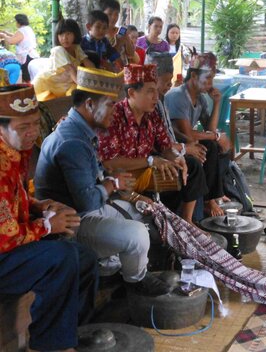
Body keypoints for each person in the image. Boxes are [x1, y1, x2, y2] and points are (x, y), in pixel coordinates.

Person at [34, 66, 169, 295]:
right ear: (89, 105)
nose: (114, 112)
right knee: (136, 234)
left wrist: (112, 184)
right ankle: (134, 281)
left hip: (91, 210)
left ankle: (112, 265)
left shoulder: (81, 131)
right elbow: (86, 202)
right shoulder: (72, 142)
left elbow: (95, 181)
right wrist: (112, 184)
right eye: (109, 105)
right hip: (71, 223)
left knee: (148, 212)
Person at [0, 83, 98, 352]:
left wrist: (39, 206)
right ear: (2, 127)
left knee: (84, 258)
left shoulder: (15, 151)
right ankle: (50, 346)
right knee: (61, 257)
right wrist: (46, 225)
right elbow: (4, 236)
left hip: (11, 247)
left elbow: (13, 200)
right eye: (23, 127)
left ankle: (76, 333)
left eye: (34, 123)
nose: (32, 132)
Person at [165, 52, 230, 216]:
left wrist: (216, 103)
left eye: (212, 79)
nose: (210, 83)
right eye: (207, 78)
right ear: (193, 75)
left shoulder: (200, 99)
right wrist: (215, 136)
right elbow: (187, 134)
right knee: (211, 145)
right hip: (174, 145)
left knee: (218, 148)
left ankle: (213, 197)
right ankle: (209, 201)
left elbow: (210, 127)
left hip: (186, 141)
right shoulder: (178, 96)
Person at [147, 55, 209, 225]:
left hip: (167, 150)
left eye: (171, 79)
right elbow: (156, 145)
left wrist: (181, 150)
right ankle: (188, 220)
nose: (169, 84)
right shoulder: (149, 105)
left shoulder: (161, 100)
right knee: (194, 164)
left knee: (203, 152)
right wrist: (183, 149)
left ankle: (204, 209)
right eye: (165, 80)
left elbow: (165, 136)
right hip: (151, 159)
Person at [33, 19, 95, 101]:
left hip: (62, 87)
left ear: (75, 34)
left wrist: (98, 77)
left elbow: (88, 64)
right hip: (44, 87)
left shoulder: (76, 48)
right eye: (61, 34)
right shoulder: (58, 50)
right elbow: (70, 70)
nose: (64, 38)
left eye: (68, 34)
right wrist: (88, 87)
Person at [0, 14, 39, 82]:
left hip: (27, 57)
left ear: (19, 21)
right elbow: (16, 37)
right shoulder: (28, 29)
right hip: (32, 55)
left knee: (27, 79)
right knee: (30, 78)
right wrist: (6, 33)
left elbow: (11, 41)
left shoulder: (21, 30)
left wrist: (3, 36)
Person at [98, 0, 136, 64]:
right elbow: (108, 58)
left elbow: (131, 54)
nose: (113, 17)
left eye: (116, 14)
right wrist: (119, 42)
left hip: (123, 71)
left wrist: (126, 39)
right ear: (101, 13)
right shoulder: (98, 35)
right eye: (109, 14)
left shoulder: (121, 31)